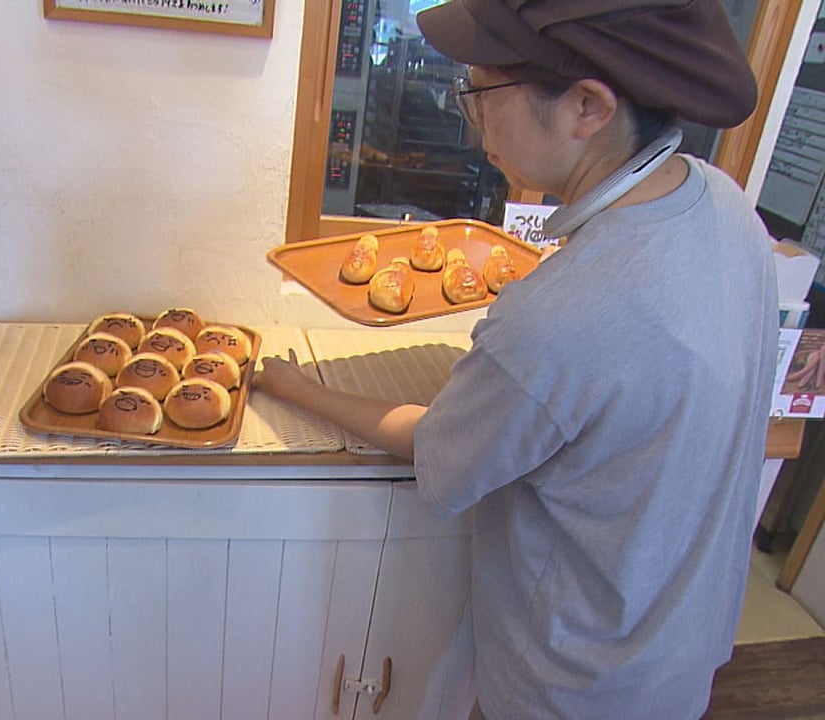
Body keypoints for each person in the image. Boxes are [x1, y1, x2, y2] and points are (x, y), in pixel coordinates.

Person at [253, 1, 778, 718]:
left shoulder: (561, 313)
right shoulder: (723, 205)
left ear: (588, 107)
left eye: (480, 91)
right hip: (683, 653)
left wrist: (292, 384)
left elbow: (438, 455)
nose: (473, 119)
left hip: (573, 687)